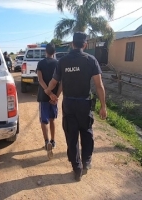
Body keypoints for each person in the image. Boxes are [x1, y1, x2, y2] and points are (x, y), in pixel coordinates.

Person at [44, 32, 107, 181]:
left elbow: (54, 82)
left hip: (69, 104)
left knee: (71, 136)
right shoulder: (91, 60)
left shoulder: (62, 61)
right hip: (85, 103)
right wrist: (103, 106)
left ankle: (76, 168)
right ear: (85, 45)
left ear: (72, 44)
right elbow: (99, 85)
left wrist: (48, 92)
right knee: (86, 133)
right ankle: (86, 161)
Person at [36, 43, 62, 158]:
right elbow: (61, 83)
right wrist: (56, 96)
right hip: (54, 98)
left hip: (43, 96)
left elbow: (40, 80)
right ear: (54, 52)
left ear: (45, 51)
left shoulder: (41, 63)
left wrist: (48, 92)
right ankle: (53, 141)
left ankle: (47, 142)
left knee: (44, 120)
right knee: (52, 119)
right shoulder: (58, 64)